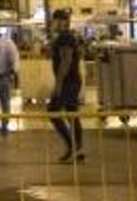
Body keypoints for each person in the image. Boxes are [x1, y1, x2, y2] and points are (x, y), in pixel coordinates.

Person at [48, 9, 85, 162]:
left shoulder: (65, 37)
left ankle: (73, 146)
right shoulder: (66, 37)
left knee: (53, 111)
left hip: (68, 82)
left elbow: (66, 61)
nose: (55, 23)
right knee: (72, 114)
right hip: (73, 80)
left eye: (57, 20)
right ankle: (77, 149)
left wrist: (58, 84)